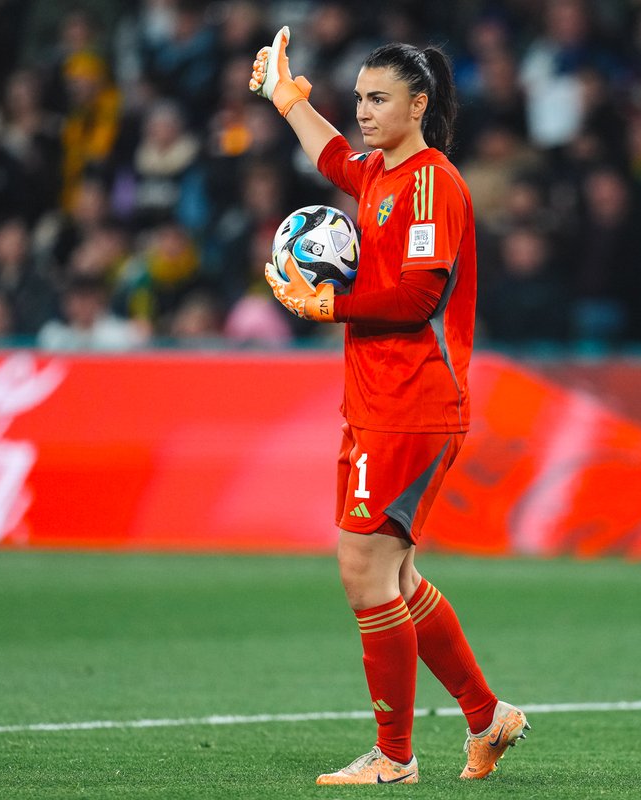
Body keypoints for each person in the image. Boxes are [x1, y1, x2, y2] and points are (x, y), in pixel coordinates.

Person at [249, 27, 529, 785]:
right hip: (375, 403)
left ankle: (395, 757)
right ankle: (487, 717)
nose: (363, 111)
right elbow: (333, 156)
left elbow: (416, 298)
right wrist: (287, 99)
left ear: (419, 104)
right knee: (394, 578)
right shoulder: (379, 174)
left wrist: (328, 305)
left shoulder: (434, 183)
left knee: (363, 572)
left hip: (415, 403)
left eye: (378, 99)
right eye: (359, 98)